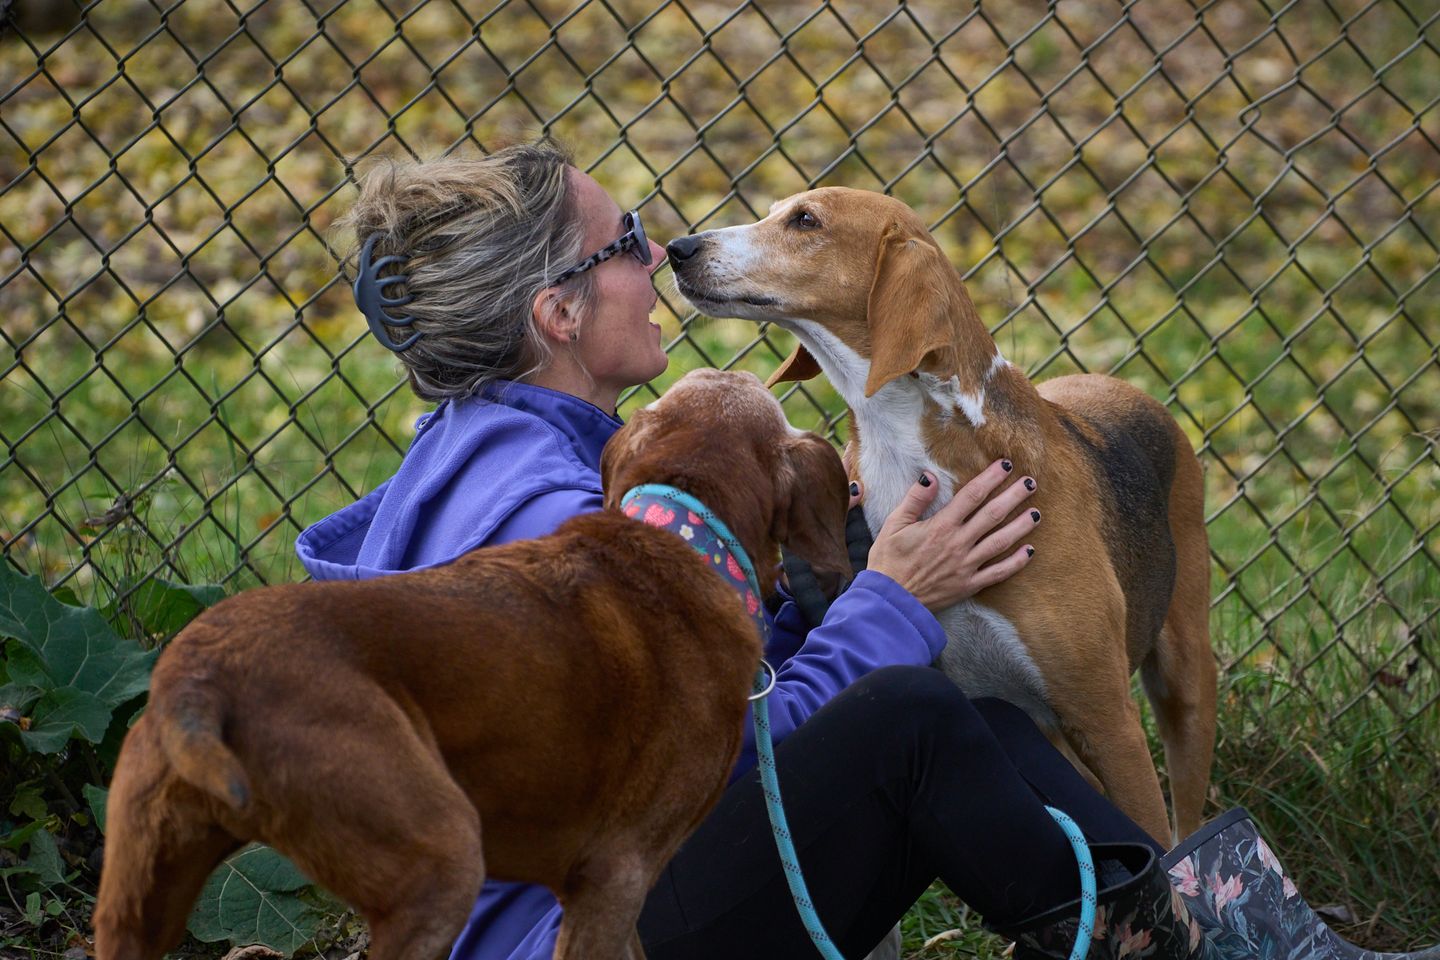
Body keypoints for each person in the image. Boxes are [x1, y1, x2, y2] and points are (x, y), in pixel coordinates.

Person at [296, 139, 1438, 960]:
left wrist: (818, 580)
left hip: (607, 893)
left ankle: (1231, 941)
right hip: (576, 937)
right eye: (628, 243)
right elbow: (719, 760)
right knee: (914, 722)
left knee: (979, 720)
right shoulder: (541, 512)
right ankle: (1208, 946)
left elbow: (712, 699)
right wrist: (890, 600)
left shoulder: (514, 458)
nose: (661, 259)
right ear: (557, 313)